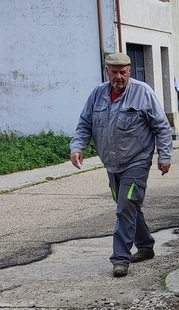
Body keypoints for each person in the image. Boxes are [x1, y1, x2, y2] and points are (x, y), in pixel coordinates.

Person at [70, 52, 173, 278]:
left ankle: (120, 259)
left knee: (125, 205)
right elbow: (84, 124)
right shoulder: (97, 95)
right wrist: (77, 148)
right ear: (107, 71)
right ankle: (145, 246)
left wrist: (164, 157)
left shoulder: (143, 92)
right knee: (127, 205)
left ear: (130, 71)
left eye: (123, 72)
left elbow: (162, 127)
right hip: (112, 162)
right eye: (114, 72)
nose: (119, 76)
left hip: (137, 160)